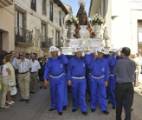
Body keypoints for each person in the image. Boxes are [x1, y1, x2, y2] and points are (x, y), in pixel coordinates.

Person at [44, 46, 68, 115]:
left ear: (57, 52)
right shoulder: (49, 60)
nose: (54, 53)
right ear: (51, 53)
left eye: (55, 52)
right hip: (52, 79)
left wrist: (62, 54)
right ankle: (53, 106)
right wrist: (45, 79)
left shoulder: (61, 59)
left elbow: (66, 62)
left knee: (60, 93)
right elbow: (46, 70)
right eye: (53, 52)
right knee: (53, 93)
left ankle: (60, 109)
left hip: (61, 79)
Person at [115, 47, 136, 120]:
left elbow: (115, 72)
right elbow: (132, 72)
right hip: (129, 86)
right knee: (128, 107)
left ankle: (118, 118)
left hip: (120, 86)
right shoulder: (133, 62)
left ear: (123, 53)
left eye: (121, 52)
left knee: (119, 104)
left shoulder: (118, 62)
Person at [88, 48, 109, 114]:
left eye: (101, 54)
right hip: (93, 79)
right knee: (93, 92)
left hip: (102, 79)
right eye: (99, 53)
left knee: (103, 94)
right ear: (97, 53)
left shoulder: (105, 61)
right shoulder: (93, 60)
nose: (100, 55)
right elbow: (89, 68)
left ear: (103, 54)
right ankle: (93, 106)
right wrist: (94, 59)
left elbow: (107, 71)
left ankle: (104, 108)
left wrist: (106, 80)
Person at [68, 47, 88, 115]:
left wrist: (87, 53)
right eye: (78, 53)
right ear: (75, 53)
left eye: (80, 52)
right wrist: (69, 79)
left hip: (82, 80)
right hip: (74, 79)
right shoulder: (71, 60)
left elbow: (90, 63)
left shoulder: (84, 60)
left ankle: (84, 109)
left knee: (82, 94)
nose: (79, 54)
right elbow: (69, 70)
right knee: (75, 94)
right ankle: (75, 106)